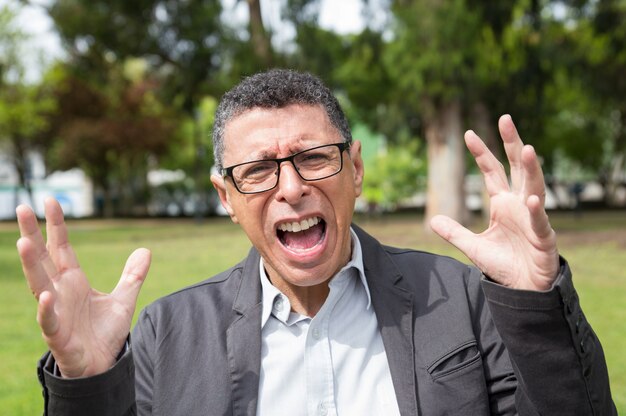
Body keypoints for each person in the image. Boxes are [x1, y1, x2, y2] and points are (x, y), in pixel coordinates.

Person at [16, 69, 615, 415]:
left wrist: (536, 304)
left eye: (314, 158)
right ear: (226, 197)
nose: (293, 188)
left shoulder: (463, 298)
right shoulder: (166, 336)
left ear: (354, 169)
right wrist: (87, 386)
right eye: (258, 171)